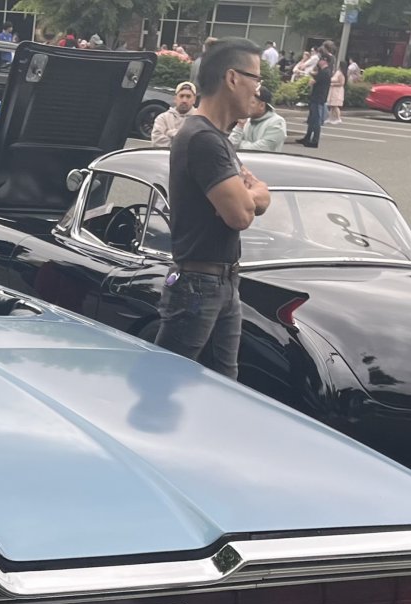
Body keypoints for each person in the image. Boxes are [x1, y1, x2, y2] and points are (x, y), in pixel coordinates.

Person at [153, 38, 270, 380]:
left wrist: (255, 195)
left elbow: (254, 198)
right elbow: (241, 215)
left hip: (221, 281)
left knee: (223, 388)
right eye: (256, 80)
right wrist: (254, 195)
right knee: (165, 384)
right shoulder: (203, 139)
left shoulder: (218, 138)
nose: (258, 91)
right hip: (197, 285)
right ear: (232, 78)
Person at [294, 41, 333, 147]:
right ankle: (307, 137)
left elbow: (312, 82)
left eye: (320, 60)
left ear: (324, 61)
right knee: (312, 119)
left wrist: (312, 75)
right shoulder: (325, 72)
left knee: (315, 120)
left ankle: (314, 140)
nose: (319, 61)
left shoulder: (324, 73)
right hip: (317, 97)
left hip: (318, 98)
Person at [228, 83, 286, 151]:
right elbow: (229, 146)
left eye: (251, 102)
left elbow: (259, 150)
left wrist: (239, 145)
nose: (246, 105)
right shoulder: (245, 121)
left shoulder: (277, 122)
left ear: (261, 105)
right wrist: (240, 126)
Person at [149, 80, 195, 148]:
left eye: (188, 96)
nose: (184, 100)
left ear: (194, 99)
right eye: (181, 96)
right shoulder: (162, 118)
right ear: (175, 98)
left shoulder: (200, 118)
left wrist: (170, 133)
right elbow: (157, 142)